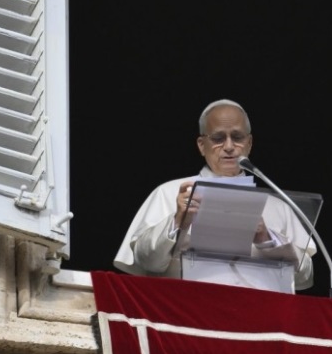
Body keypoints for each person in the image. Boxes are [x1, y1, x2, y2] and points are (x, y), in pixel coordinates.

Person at [113, 99, 315, 291]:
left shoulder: (278, 205)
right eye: (218, 138)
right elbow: (147, 262)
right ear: (202, 145)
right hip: (190, 315)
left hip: (262, 317)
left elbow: (303, 276)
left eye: (237, 137)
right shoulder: (169, 193)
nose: (229, 147)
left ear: (249, 143)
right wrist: (176, 222)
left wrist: (266, 238)